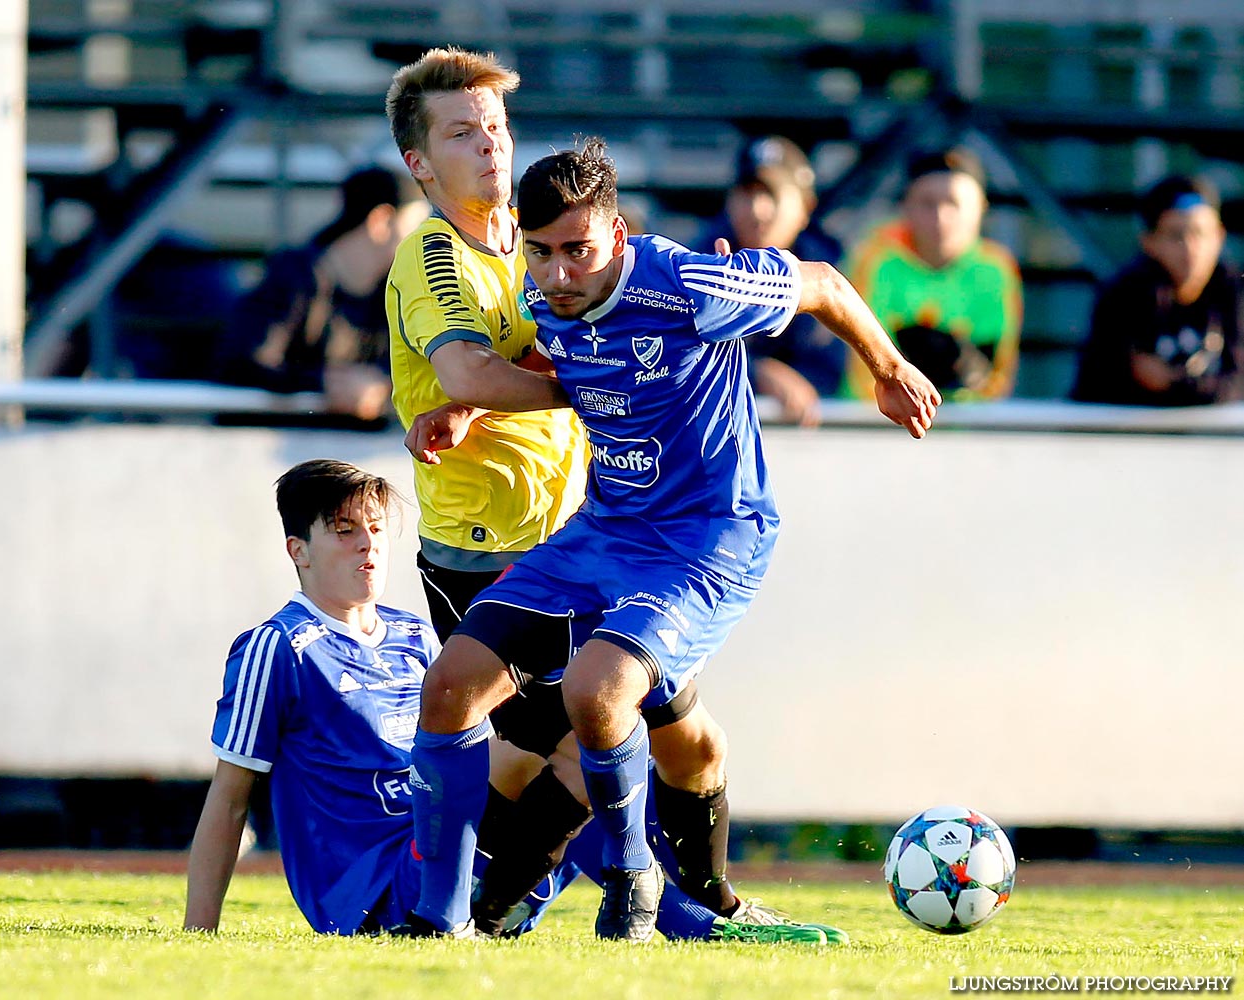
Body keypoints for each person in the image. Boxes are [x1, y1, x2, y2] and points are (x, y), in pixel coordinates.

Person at [401, 138, 940, 941]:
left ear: (616, 236)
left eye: (576, 251)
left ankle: (632, 882)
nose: (555, 274)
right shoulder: (546, 285)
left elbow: (823, 284)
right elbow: (571, 360)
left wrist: (886, 367)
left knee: (595, 692)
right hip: (605, 527)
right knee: (450, 684)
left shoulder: (689, 282)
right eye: (541, 252)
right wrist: (469, 408)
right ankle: (438, 920)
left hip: (706, 540)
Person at [383, 46, 774, 937]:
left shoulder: (534, 244)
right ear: (419, 163)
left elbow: (555, 339)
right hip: (488, 548)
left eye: (496, 127)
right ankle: (580, 898)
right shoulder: (434, 258)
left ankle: (553, 894)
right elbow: (471, 369)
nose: (488, 146)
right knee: (571, 737)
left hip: (589, 538)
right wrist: (591, 384)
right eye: (460, 132)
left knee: (671, 732)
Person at [182, 458, 832, 945]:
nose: (367, 544)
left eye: (376, 529)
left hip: (438, 840)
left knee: (587, 739)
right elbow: (231, 796)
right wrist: (198, 936)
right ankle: (683, 923)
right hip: (369, 883)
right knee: (562, 749)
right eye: (344, 530)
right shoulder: (278, 647)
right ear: (299, 549)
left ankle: (501, 909)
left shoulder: (410, 636)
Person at [212, 165, 428, 424]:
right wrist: (323, 384)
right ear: (380, 221)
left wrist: (380, 386)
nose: (425, 241)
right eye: (416, 226)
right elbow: (241, 367)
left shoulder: (396, 292)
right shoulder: (295, 279)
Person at [844, 145, 1022, 401]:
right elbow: (864, 371)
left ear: (981, 208)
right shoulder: (876, 258)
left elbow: (993, 379)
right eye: (928, 203)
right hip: (882, 424)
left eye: (954, 203)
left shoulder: (996, 270)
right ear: (906, 205)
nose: (941, 217)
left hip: (966, 430)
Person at [699, 135, 846, 426]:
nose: (757, 210)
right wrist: (757, 373)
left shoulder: (830, 274)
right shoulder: (698, 262)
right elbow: (679, 360)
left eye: (771, 195)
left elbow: (826, 374)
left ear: (806, 205)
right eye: (747, 193)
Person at [1071, 174, 1243, 406]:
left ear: (1219, 237)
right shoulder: (1123, 296)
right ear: (1149, 242)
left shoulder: (1233, 291)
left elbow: (1237, 382)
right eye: (1176, 236)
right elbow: (1095, 386)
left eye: (1200, 234)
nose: (1191, 249)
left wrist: (1174, 384)